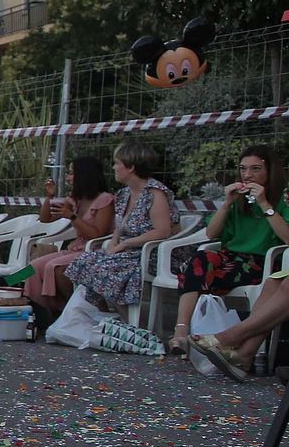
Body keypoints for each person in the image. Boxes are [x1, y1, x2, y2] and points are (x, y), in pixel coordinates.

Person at [168, 145, 289, 355]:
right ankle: (181, 332)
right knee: (198, 260)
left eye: (256, 169)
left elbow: (287, 237)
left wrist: (263, 203)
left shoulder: (282, 199)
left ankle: (227, 343)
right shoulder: (238, 199)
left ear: (270, 171)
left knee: (204, 267)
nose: (248, 175)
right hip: (232, 257)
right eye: (243, 169)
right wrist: (226, 204)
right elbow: (211, 234)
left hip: (264, 260)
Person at [64, 140, 175, 319]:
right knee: (69, 263)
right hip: (121, 249)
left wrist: (124, 244)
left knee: (95, 267)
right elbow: (121, 225)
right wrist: (115, 242)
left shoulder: (154, 193)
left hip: (150, 252)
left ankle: (124, 321)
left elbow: (162, 231)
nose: (114, 167)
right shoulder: (123, 194)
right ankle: (101, 316)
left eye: (117, 163)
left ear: (130, 167)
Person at [22, 156, 115, 318]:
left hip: (94, 250)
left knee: (53, 266)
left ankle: (67, 311)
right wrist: (50, 197)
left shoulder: (104, 200)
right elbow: (45, 218)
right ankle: (15, 292)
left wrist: (72, 216)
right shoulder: (75, 200)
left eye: (71, 173)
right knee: (31, 267)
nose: (68, 177)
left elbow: (97, 234)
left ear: (84, 175)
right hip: (75, 248)